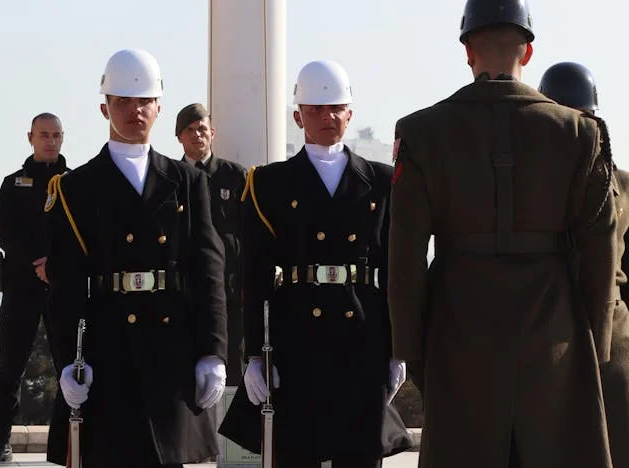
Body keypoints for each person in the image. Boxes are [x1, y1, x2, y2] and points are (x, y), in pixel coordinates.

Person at [388, 0, 618, 466]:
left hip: (459, 331)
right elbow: (600, 254)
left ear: (468, 51)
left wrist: (411, 351)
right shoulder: (581, 133)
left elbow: (405, 256)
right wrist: (593, 345)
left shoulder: (421, 132)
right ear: (528, 52)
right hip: (553, 335)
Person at [219, 60, 412, 468]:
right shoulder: (268, 183)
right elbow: (255, 276)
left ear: (350, 114)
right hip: (297, 335)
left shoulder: (381, 181)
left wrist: (398, 348)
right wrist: (254, 354)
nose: (328, 117)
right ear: (298, 116)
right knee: (296, 452)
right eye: (316, 109)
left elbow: (395, 272)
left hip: (362, 332)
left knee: (360, 455)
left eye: (336, 108)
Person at [43, 49, 227, 467]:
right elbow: (66, 284)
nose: (134, 110)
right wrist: (69, 360)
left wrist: (213, 350)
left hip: (171, 346)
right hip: (109, 346)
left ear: (159, 107)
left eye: (144, 101)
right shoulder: (76, 187)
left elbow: (208, 269)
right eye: (123, 101)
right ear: (104, 107)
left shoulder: (187, 181)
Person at [538, 61, 629, 468]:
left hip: (613, 337)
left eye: (583, 118)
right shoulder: (530, 187)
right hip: (548, 334)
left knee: (620, 446)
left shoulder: (626, 186)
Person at [0, 113, 69, 462]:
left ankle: (71, 442)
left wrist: (55, 265)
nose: (51, 141)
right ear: (30, 137)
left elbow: (83, 234)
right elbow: (5, 232)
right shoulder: (13, 183)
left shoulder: (75, 184)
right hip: (21, 288)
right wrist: (37, 262)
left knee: (70, 369)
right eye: (44, 135)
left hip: (62, 287)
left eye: (56, 135)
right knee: (10, 368)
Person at [177, 103, 247, 384]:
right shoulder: (171, 177)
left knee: (231, 368)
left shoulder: (236, 176)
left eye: (202, 129)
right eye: (189, 130)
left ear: (212, 133)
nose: (197, 135)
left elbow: (248, 233)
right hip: (186, 291)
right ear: (179, 137)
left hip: (229, 291)